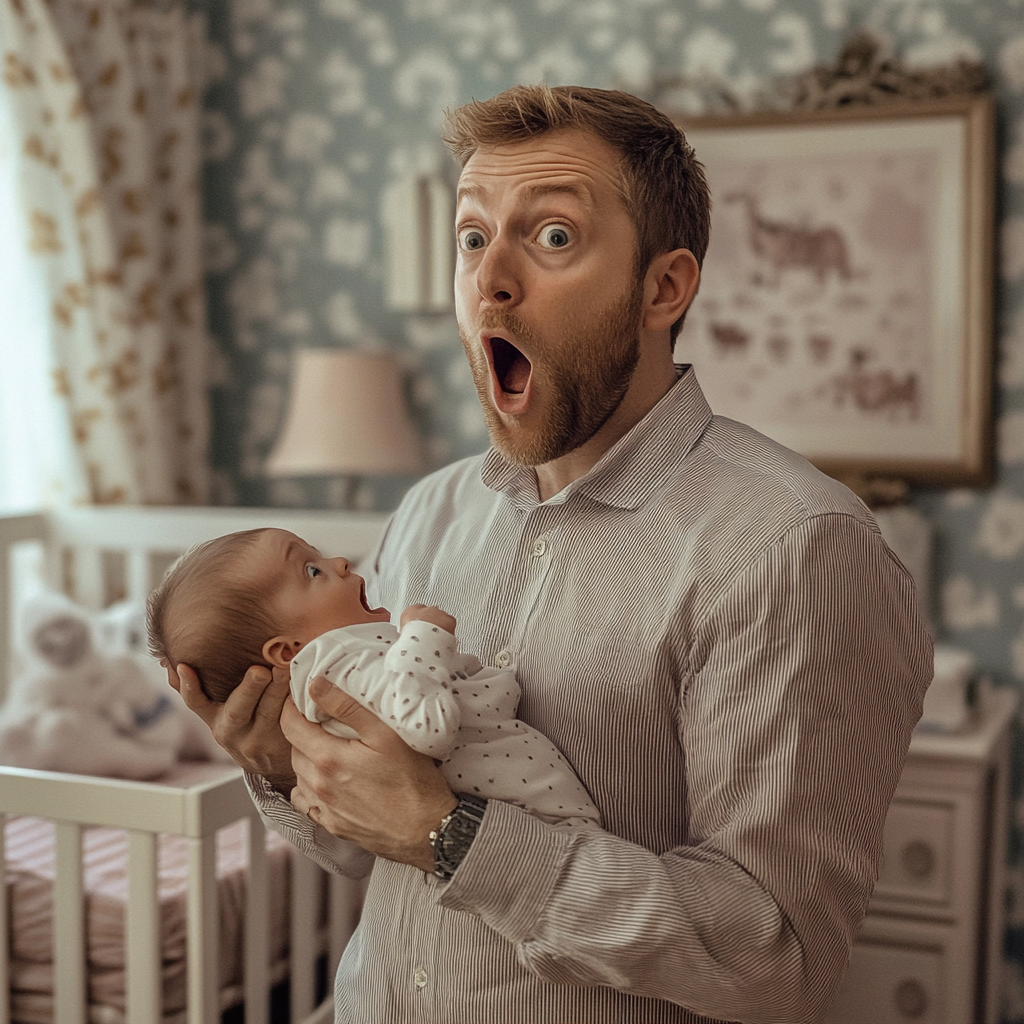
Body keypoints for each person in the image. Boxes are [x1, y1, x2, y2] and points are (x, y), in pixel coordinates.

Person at [172, 84, 933, 1024]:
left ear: (665, 287)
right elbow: (376, 842)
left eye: (554, 237)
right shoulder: (427, 512)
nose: (490, 279)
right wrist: (293, 776)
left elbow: (775, 959)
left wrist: (455, 838)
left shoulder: (795, 551)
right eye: (471, 236)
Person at [147, 527, 600, 827]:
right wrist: (424, 635)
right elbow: (427, 729)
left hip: (536, 819)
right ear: (287, 651)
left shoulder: (338, 674)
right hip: (544, 820)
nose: (341, 562)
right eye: (312, 571)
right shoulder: (337, 661)